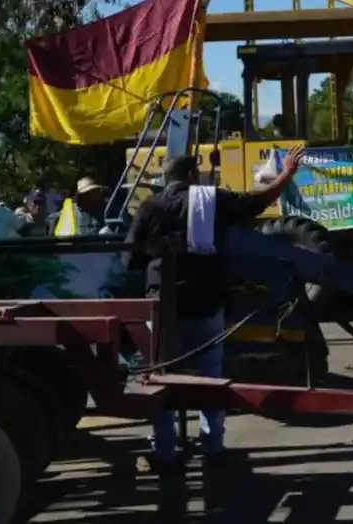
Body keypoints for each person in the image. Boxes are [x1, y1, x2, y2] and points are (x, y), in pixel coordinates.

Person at [126, 143, 307, 474]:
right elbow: (256, 202)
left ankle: (164, 451)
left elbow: (130, 258)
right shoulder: (210, 201)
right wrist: (286, 173)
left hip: (162, 308)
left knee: (160, 379)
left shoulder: (149, 207)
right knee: (211, 377)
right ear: (193, 175)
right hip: (205, 302)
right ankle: (212, 448)